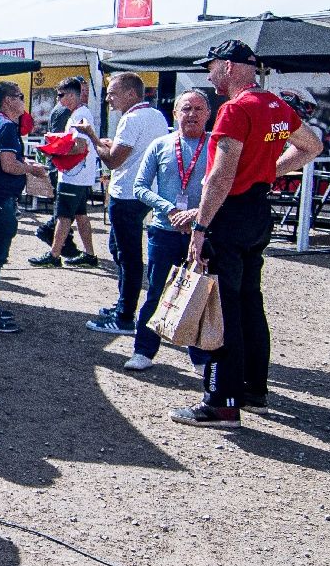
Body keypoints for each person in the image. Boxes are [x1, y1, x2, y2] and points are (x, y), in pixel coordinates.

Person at [173, 40, 323, 426]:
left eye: (211, 67)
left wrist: (201, 227)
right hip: (257, 211)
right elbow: (311, 146)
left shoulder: (235, 109)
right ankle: (255, 390)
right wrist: (267, 173)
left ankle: (221, 402)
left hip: (232, 214)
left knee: (225, 307)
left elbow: (221, 176)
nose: (208, 75)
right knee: (250, 303)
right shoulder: (275, 104)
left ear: (227, 67)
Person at [73, 72, 170, 334]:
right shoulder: (156, 115)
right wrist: (110, 145)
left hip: (126, 194)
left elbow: (113, 161)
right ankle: (123, 306)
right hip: (144, 192)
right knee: (119, 250)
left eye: (112, 93)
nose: (108, 98)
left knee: (127, 255)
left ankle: (125, 315)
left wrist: (93, 137)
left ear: (131, 94)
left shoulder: (131, 119)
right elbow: (133, 151)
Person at [126, 89, 213, 372]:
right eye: (185, 109)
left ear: (208, 114)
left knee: (200, 293)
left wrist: (197, 214)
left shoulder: (216, 147)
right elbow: (139, 187)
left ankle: (200, 358)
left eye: (198, 109)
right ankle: (144, 351)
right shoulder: (160, 145)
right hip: (164, 230)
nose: (192, 115)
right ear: (175, 114)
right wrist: (170, 209)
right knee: (156, 292)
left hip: (202, 233)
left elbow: (225, 190)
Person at [0, 80, 45, 333]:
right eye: (20, 96)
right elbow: (8, 165)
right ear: (8, 101)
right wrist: (32, 169)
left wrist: (23, 163)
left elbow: (6, 161)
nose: (24, 101)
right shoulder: (4, 126)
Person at [29, 76, 100, 268]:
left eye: (60, 95)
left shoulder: (79, 115)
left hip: (73, 174)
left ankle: (54, 255)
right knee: (80, 214)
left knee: (63, 215)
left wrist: (52, 150)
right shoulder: (79, 113)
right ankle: (89, 255)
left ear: (70, 95)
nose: (58, 100)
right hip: (79, 174)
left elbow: (79, 146)